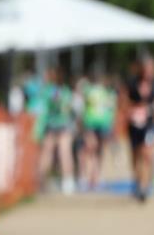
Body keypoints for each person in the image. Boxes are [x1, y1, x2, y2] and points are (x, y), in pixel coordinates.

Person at [125, 56, 154, 202]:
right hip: (134, 125)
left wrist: (153, 109)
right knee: (136, 156)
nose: (148, 71)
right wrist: (133, 112)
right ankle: (137, 181)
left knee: (147, 153)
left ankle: (144, 186)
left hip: (150, 124)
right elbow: (124, 102)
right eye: (146, 68)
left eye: (151, 68)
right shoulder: (132, 83)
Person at [36, 66, 76, 194]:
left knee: (50, 153)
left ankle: (42, 181)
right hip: (63, 124)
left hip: (54, 125)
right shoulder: (66, 91)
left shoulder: (50, 91)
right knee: (64, 153)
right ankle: (67, 181)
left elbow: (45, 109)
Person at [79, 71, 117, 191]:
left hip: (100, 124)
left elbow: (111, 108)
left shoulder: (106, 93)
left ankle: (93, 176)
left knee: (95, 150)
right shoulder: (93, 91)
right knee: (93, 149)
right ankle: (88, 177)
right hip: (95, 123)